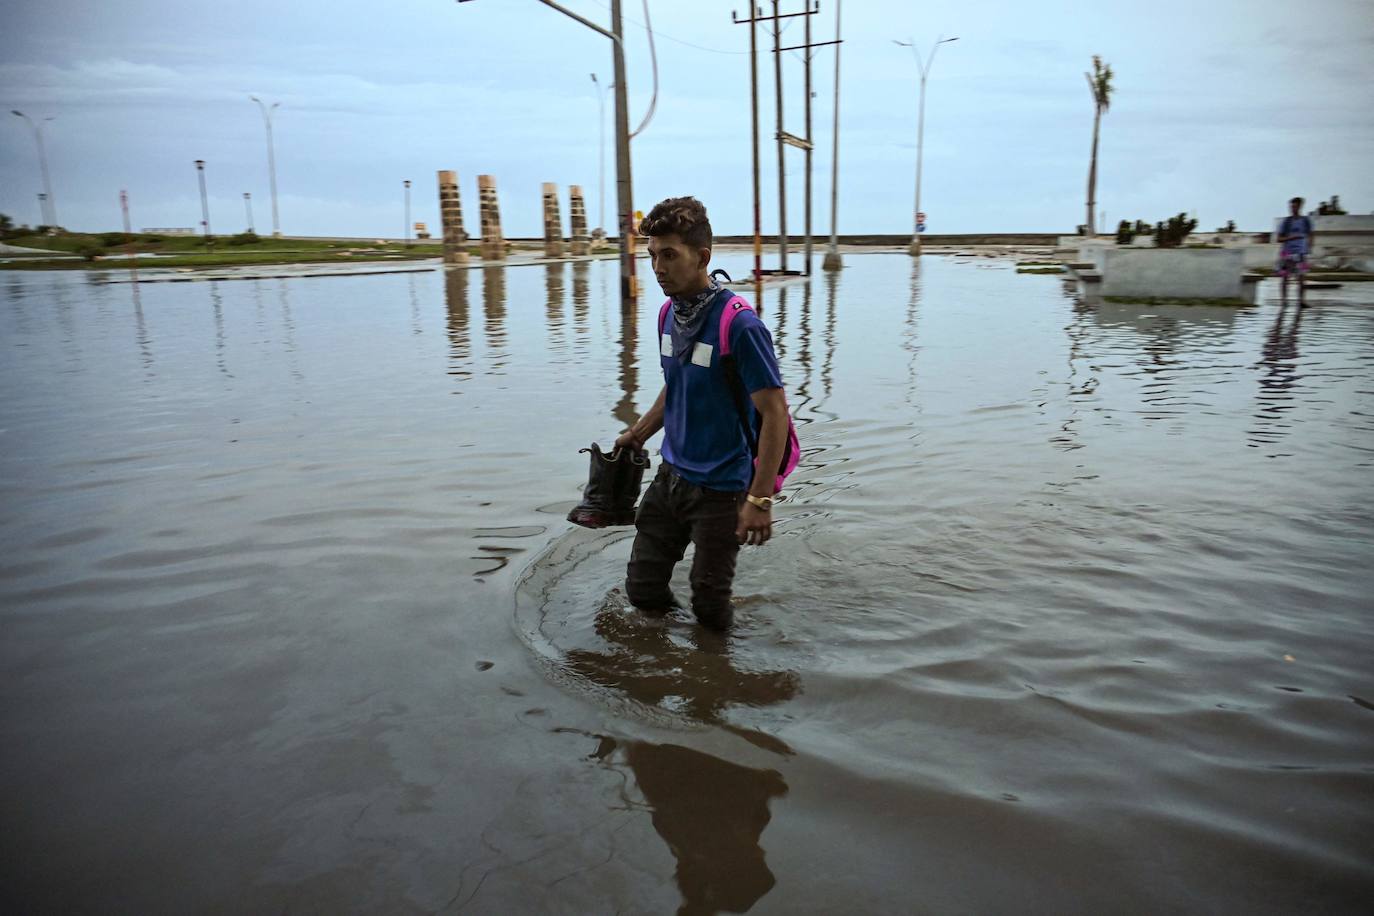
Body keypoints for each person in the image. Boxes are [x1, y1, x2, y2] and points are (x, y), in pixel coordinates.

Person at [614, 196, 790, 631]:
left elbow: (776, 415)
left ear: (703, 257)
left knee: (710, 607)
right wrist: (638, 433)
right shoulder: (666, 315)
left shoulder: (740, 325)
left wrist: (760, 499)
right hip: (671, 479)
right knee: (643, 589)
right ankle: (672, 665)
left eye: (669, 255)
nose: (657, 267)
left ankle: (718, 684)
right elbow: (677, 385)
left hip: (722, 491)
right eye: (652, 255)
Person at [1275, 197, 1314, 305]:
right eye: (1291, 206)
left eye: (1295, 206)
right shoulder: (1286, 222)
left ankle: (1301, 300)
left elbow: (1311, 234)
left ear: (1300, 206)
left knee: (1301, 277)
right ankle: (1284, 300)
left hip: (1300, 252)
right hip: (1287, 252)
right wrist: (1290, 238)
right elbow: (1279, 238)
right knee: (1285, 277)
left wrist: (1309, 247)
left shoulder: (1305, 221)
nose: (1293, 209)